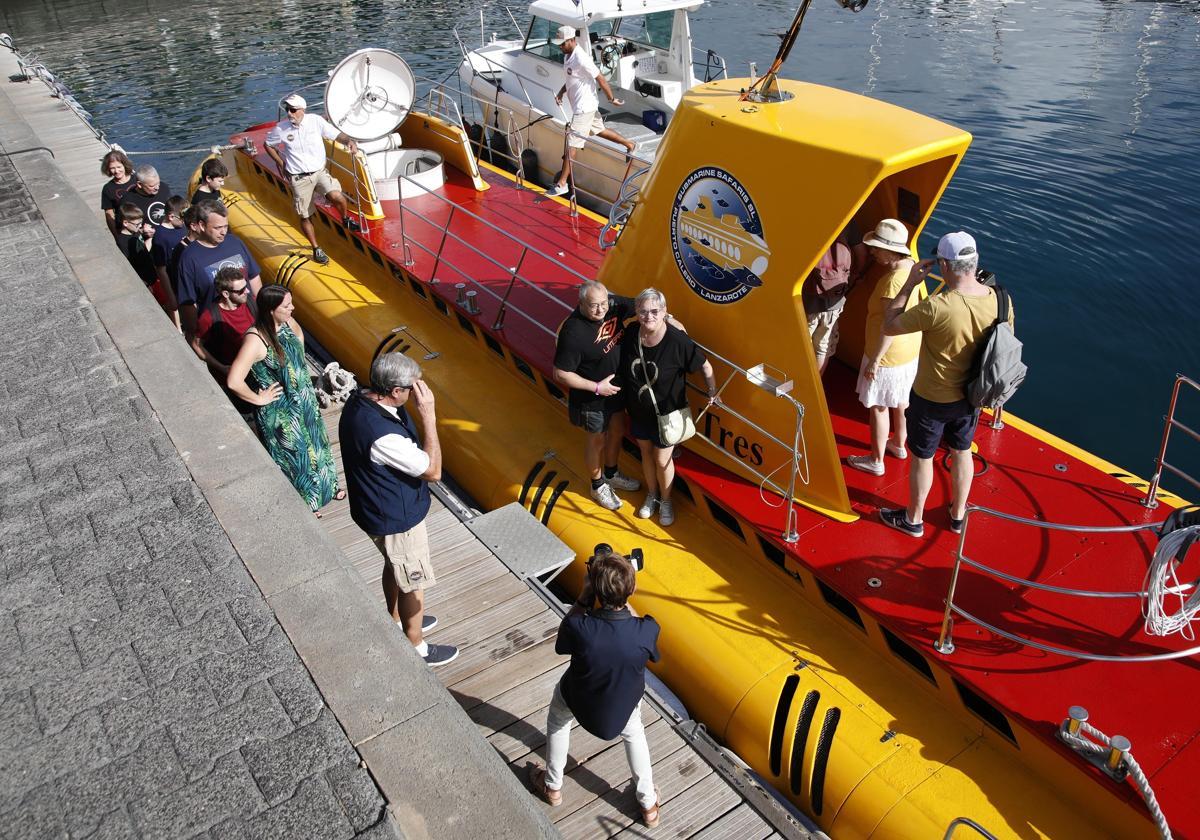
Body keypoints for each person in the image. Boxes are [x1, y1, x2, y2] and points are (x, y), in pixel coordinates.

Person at [880, 231, 1015, 536]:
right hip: (972, 396)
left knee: (922, 459)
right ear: (974, 262)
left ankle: (913, 520)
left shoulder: (937, 307)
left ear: (944, 264)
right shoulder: (1001, 299)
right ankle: (957, 515)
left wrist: (911, 283)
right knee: (962, 451)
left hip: (931, 398)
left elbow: (889, 324)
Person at [338, 353, 458, 667]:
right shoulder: (383, 434)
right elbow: (432, 471)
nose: (418, 392)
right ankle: (416, 645)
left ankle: (395, 618)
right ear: (395, 391)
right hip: (395, 518)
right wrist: (429, 417)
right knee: (413, 580)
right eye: (411, 387)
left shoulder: (360, 402)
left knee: (395, 566)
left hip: (375, 510)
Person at [529, 548, 661, 828]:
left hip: (578, 699)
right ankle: (648, 804)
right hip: (623, 708)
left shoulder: (581, 627)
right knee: (635, 733)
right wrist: (627, 592)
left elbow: (561, 644)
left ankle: (552, 785)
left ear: (595, 590)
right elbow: (636, 626)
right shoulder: (647, 630)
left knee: (557, 721)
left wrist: (584, 596)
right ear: (632, 588)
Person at [226, 285, 342, 515]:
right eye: (286, 305)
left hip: (305, 404)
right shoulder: (256, 340)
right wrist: (259, 399)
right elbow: (233, 381)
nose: (292, 308)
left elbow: (298, 343)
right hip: (282, 412)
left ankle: (327, 488)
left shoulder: (287, 324)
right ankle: (308, 504)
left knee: (318, 447)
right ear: (271, 310)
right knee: (295, 457)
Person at [620, 288, 717, 526]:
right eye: (643, 311)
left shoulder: (677, 340)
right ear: (636, 312)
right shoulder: (632, 332)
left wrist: (713, 392)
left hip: (668, 414)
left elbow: (705, 366)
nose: (649, 316)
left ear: (664, 312)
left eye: (655, 311)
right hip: (639, 410)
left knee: (662, 458)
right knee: (645, 452)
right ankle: (651, 495)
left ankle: (665, 500)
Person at [552, 281, 642, 511]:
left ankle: (611, 473)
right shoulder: (573, 331)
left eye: (603, 304)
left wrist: (668, 319)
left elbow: (641, 305)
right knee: (597, 439)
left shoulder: (612, 304)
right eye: (594, 306)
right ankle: (597, 484)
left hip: (616, 388)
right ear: (581, 303)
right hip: (592, 396)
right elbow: (561, 373)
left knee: (618, 428)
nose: (601, 310)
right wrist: (595, 387)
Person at [846, 219, 923, 476]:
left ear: (891, 251)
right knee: (900, 400)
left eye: (876, 248)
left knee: (879, 406)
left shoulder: (892, 282)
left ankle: (875, 460)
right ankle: (899, 445)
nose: (872, 252)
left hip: (887, 355)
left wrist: (875, 360)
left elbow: (889, 326)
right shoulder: (914, 270)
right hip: (908, 352)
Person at [264, 93, 361, 266]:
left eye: (293, 110)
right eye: (288, 110)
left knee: (337, 196)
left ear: (303, 110)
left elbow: (337, 135)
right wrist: (281, 163)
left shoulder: (315, 121)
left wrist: (349, 141)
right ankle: (316, 248)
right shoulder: (281, 128)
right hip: (299, 178)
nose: (289, 113)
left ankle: (345, 218)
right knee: (305, 215)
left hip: (319, 172)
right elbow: (268, 144)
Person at [545, 26, 636, 198]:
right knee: (599, 130)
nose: (560, 47)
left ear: (572, 40)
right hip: (584, 106)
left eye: (563, 43)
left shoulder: (581, 58)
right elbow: (571, 79)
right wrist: (561, 92)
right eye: (559, 44)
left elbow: (600, 78)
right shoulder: (567, 56)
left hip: (583, 108)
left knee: (572, 143)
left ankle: (562, 183)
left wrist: (611, 99)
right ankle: (630, 145)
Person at [176, 200, 262, 346]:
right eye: (217, 227)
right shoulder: (189, 258)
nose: (223, 232)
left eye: (226, 226)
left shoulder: (235, 242)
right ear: (202, 225)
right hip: (221, 333)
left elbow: (254, 278)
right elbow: (188, 303)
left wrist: (263, 312)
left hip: (252, 326)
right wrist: (196, 336)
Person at [802, 226, 868, 375]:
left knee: (801, 345)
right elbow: (862, 253)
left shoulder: (808, 216)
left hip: (806, 298)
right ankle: (816, 385)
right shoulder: (849, 224)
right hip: (835, 298)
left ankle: (797, 381)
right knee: (822, 347)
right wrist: (854, 276)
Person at [149, 195, 188, 327]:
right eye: (182, 217)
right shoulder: (160, 237)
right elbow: (161, 269)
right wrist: (170, 295)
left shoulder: (182, 226)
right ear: (171, 217)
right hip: (176, 283)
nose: (185, 221)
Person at [121, 165, 172, 231]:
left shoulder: (164, 188)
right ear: (139, 184)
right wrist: (142, 231)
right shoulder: (127, 200)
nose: (157, 188)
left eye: (158, 183)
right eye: (152, 186)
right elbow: (125, 228)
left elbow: (173, 208)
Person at [100, 149, 137, 238]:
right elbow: (109, 215)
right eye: (112, 168)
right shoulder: (108, 188)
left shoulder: (137, 179)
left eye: (119, 167)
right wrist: (117, 236)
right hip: (125, 229)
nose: (116, 171)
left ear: (125, 165)